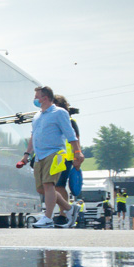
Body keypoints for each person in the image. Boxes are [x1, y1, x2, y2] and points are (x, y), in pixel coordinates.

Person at [20, 85, 77, 227]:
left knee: (48, 184)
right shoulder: (37, 116)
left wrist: (77, 153)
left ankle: (48, 218)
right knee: (41, 188)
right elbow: (33, 136)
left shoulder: (59, 113)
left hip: (54, 153)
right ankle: (69, 208)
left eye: (36, 97)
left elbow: (70, 135)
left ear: (44, 98)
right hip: (39, 155)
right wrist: (26, 155)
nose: (34, 100)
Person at [54, 94, 84, 225]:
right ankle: (66, 210)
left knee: (58, 186)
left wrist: (78, 155)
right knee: (54, 186)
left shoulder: (70, 121)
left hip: (65, 157)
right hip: (56, 156)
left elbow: (76, 138)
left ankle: (64, 213)